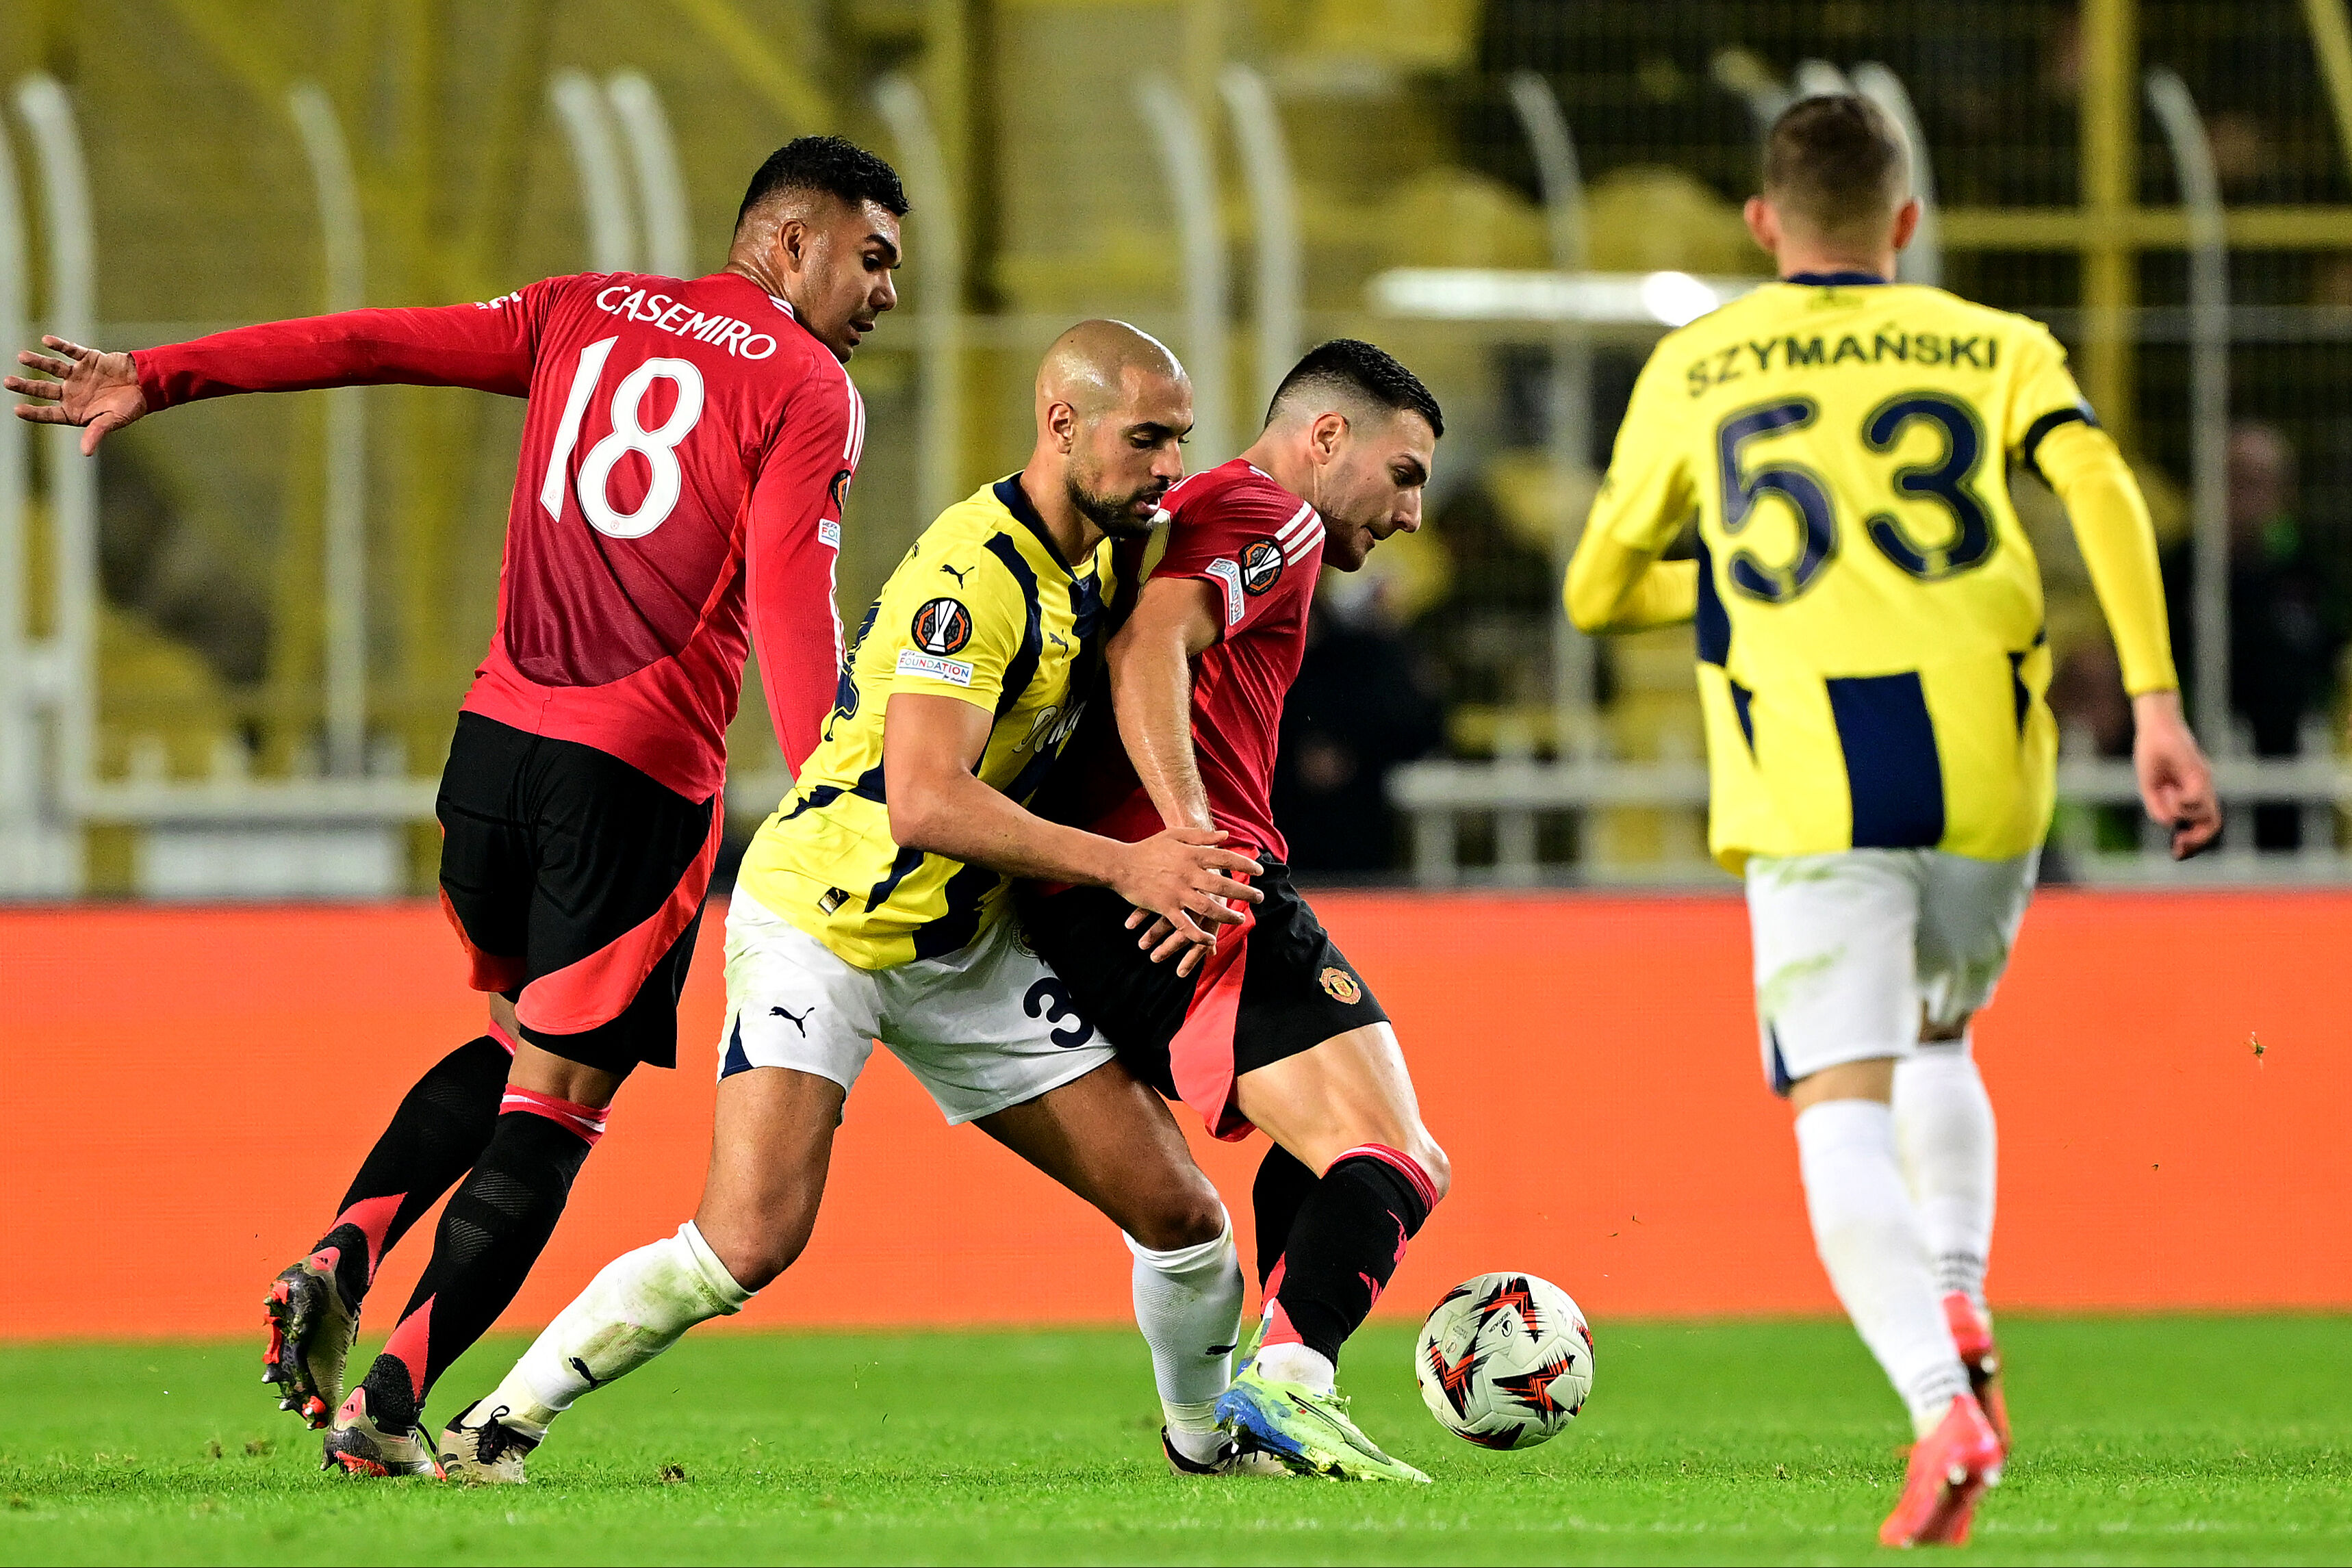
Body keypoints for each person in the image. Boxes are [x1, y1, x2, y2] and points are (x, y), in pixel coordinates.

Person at [9, 136, 910, 1476]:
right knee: (559, 1109)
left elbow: (369, 340)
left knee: (514, 1038)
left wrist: (160, 373)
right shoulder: (803, 384)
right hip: (636, 779)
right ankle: (386, 1406)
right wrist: (836, 798)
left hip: (488, 757)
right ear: (790, 241)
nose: (887, 291)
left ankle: (346, 1244)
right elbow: (792, 608)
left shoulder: (574, 310)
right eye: (874, 256)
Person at [439, 320, 1282, 1483]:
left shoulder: (1101, 548)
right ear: (1061, 424)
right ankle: (498, 1424)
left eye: (1180, 440)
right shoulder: (969, 576)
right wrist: (1127, 863)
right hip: (825, 922)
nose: (1167, 467)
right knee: (746, 1244)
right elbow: (924, 803)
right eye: (1146, 439)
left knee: (1185, 1219)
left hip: (960, 943)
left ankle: (1209, 1450)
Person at [1564, 96, 2220, 1547]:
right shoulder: (1991, 342)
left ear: (1758, 223)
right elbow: (2098, 484)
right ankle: (1957, 1274)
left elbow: (1597, 593)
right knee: (1938, 1035)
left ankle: (1939, 1403)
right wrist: (2159, 703)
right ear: (1903, 224)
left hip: (1811, 777)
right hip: (1992, 763)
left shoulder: (1700, 361)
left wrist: (1728, 586)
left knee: (1835, 1109)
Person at [1023, 339, 1453, 1482]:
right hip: (1189, 884)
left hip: (1109, 892)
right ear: (1327, 438)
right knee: (1397, 1157)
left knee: (1326, 1152)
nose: (1411, 513)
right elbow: (1150, 645)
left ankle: (1264, 1396)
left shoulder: (1202, 504)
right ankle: (1288, 1384)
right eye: (1403, 474)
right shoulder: (1280, 517)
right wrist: (1190, 839)